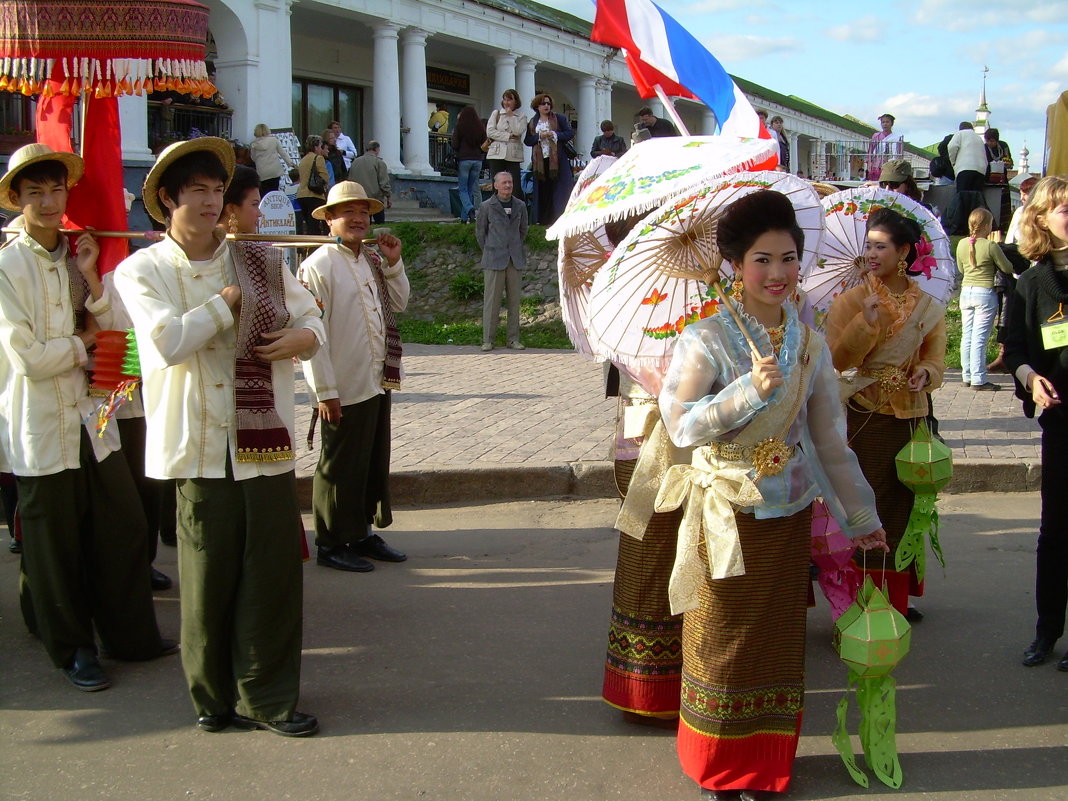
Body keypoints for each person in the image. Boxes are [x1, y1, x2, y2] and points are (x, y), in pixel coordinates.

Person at [658, 190, 887, 800]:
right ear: (736, 264)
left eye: (788, 258)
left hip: (786, 517)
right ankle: (719, 768)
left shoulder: (810, 347)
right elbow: (680, 425)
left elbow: (829, 442)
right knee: (723, 639)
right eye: (762, 259)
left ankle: (766, 762)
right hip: (725, 514)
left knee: (778, 642)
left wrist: (860, 516)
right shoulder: (704, 340)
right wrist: (746, 394)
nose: (778, 274)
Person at [114, 137, 324, 736]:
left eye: (215, 191)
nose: (210, 203)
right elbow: (165, 344)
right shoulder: (141, 269)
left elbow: (308, 314)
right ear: (166, 199)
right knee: (207, 580)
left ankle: (270, 697)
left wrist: (305, 340)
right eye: (196, 192)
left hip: (264, 441)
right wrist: (225, 305)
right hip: (197, 447)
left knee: (273, 576)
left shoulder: (259, 258)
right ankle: (212, 698)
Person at [0, 144, 173, 692]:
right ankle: (73, 648)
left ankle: (129, 634)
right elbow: (26, 356)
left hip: (95, 416)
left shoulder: (78, 252)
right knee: (55, 541)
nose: (49, 202)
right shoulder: (9, 265)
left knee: (121, 524)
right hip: (40, 421)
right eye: (35, 193)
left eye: (56, 190)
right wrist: (82, 344)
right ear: (16, 200)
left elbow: (107, 328)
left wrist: (91, 280)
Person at [825, 208, 946, 619]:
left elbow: (936, 360)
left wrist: (925, 374)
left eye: (881, 246)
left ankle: (896, 598)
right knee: (867, 508)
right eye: (869, 245)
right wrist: (866, 323)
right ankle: (865, 604)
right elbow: (836, 362)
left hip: (910, 417)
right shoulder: (852, 300)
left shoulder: (929, 306)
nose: (872, 253)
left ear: (904, 252)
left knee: (903, 506)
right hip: (865, 415)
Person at [298, 181, 410, 573]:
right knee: (338, 464)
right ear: (329, 220)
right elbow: (310, 334)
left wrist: (394, 263)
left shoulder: (371, 261)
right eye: (348, 212)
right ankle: (331, 541)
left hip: (375, 378)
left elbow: (398, 304)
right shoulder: (318, 265)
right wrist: (323, 390)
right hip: (341, 383)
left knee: (370, 460)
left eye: (364, 212)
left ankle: (360, 532)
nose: (358, 218)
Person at [1003, 175, 1068, 670]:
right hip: (1061, 420)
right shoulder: (1030, 283)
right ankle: (1047, 633)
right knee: (1055, 531)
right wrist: (1031, 379)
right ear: (1041, 219)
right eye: (1064, 208)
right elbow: (1016, 351)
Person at [956, 207, 1014, 390]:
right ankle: (979, 379)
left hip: (966, 292)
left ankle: (966, 375)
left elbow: (960, 269)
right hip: (984, 293)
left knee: (967, 336)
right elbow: (1007, 268)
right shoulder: (991, 246)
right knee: (979, 339)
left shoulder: (961, 244)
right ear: (987, 225)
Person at [475, 171, 527, 352]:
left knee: (514, 302)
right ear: (495, 185)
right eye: (504, 183)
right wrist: (491, 249)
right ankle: (488, 340)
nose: (508, 186)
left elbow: (523, 231)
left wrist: (514, 248)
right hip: (493, 259)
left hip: (515, 259)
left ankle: (513, 339)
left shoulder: (520, 205)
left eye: (510, 182)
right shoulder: (486, 206)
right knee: (492, 302)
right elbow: (480, 234)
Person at [524, 93, 575, 226]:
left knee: (558, 190)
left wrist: (554, 134)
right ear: (537, 106)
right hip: (540, 162)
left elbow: (569, 133)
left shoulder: (559, 118)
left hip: (557, 160)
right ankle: (542, 220)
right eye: (543, 103)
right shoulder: (533, 122)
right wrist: (539, 137)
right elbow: (528, 140)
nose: (546, 106)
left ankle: (558, 218)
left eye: (548, 103)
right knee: (543, 190)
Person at [485, 89, 528, 203]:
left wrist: (511, 117)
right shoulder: (497, 114)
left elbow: (518, 131)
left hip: (513, 154)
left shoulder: (521, 116)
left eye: (510, 99)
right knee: (497, 184)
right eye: (505, 99)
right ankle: (495, 211)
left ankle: (516, 212)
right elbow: (490, 132)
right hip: (497, 153)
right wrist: (508, 136)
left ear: (515, 101)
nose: (506, 102)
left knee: (515, 185)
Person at [451, 106, 486, 223]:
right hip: (478, 160)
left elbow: (455, 144)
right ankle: (464, 218)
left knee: (462, 190)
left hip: (464, 160)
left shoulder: (460, 127)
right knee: (470, 189)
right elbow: (484, 143)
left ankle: (470, 210)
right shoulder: (480, 127)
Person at [347, 141, 392, 224]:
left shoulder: (355, 162)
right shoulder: (379, 162)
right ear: (377, 149)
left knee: (362, 223)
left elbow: (350, 180)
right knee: (379, 225)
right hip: (375, 199)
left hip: (358, 198)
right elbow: (384, 183)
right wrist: (388, 196)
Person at [296, 134, 329, 234]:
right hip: (314, 195)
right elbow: (325, 177)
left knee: (310, 224)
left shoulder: (302, 160)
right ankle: (316, 247)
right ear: (315, 147)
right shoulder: (318, 158)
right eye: (320, 146)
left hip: (301, 195)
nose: (321, 148)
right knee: (317, 226)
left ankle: (309, 247)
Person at [249, 123, 295, 195]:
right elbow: (283, 153)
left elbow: (253, 158)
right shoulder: (274, 140)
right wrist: (290, 163)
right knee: (274, 192)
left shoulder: (254, 144)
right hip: (274, 171)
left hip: (262, 172)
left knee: (264, 193)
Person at [947, 122, 988, 192]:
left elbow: (952, 146)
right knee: (975, 198)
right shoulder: (979, 138)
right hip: (980, 171)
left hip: (964, 169)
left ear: (960, 129)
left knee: (963, 196)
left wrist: (953, 162)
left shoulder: (960, 134)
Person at [867, 113, 902, 180]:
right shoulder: (876, 136)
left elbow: (899, 153)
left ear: (892, 124)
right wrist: (869, 163)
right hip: (877, 164)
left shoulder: (897, 138)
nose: (885, 124)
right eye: (883, 122)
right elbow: (871, 150)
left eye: (887, 122)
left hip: (890, 164)